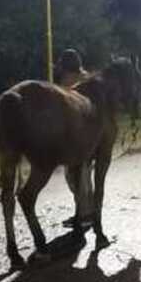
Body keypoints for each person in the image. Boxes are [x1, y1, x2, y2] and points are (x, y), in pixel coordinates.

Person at [54, 49, 94, 229]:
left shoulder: (81, 81)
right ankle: (83, 212)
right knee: (74, 176)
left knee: (80, 176)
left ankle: (86, 215)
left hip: (82, 135)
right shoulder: (68, 80)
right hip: (71, 135)